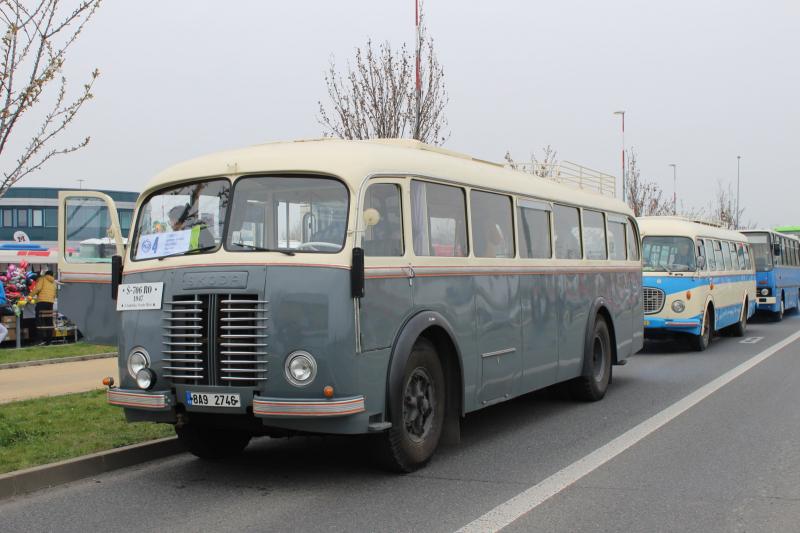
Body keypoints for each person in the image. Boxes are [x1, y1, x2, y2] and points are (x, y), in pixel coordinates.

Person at [30, 270, 57, 345]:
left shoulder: (43, 279)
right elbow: (55, 293)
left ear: (46, 274)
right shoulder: (54, 282)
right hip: (50, 303)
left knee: (39, 320)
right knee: (49, 321)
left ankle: (39, 340)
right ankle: (49, 340)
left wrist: (29, 296)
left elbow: (37, 289)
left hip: (42, 301)